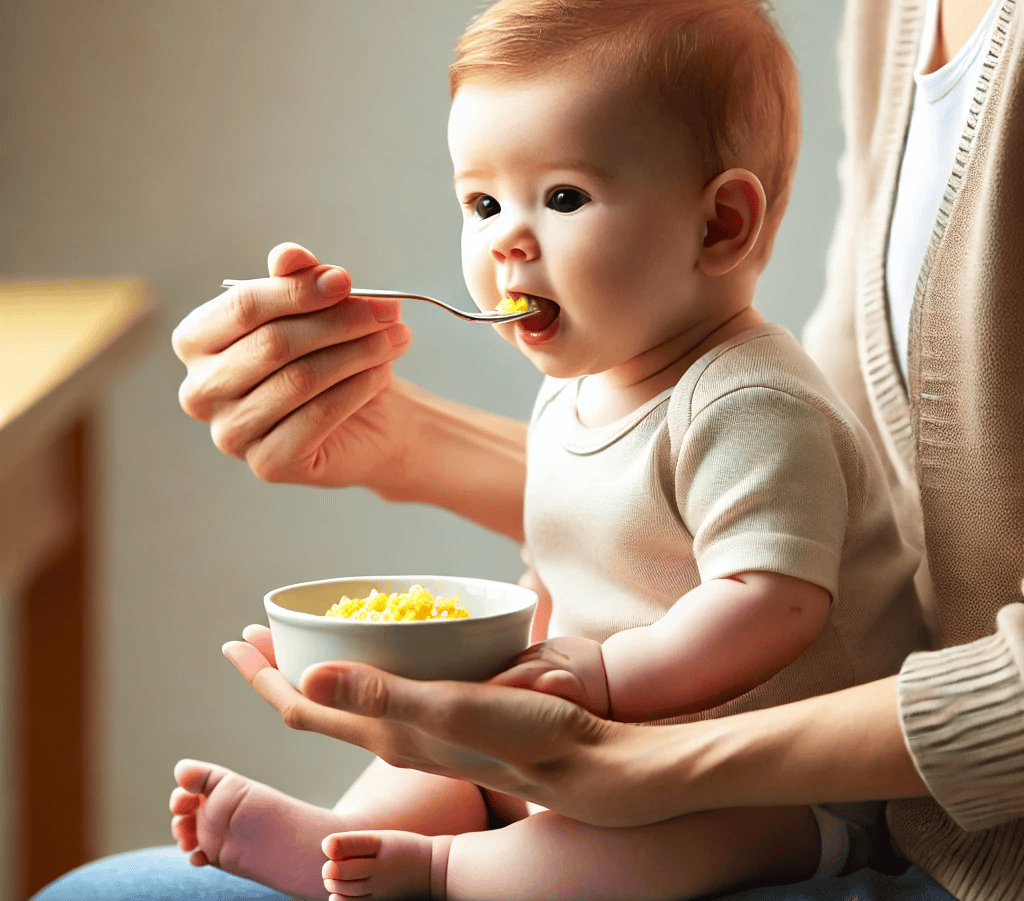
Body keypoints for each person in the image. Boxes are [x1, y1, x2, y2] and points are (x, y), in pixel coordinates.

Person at [30, 0, 1022, 899]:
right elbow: (572, 555)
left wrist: (597, 685)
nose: (506, 240)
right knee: (438, 755)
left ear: (720, 223)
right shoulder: (578, 394)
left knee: (628, 848)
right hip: (619, 731)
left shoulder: (751, 400)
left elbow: (770, 604)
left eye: (562, 197)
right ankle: (341, 837)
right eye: (482, 203)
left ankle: (445, 870)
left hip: (794, 788)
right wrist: (496, 667)